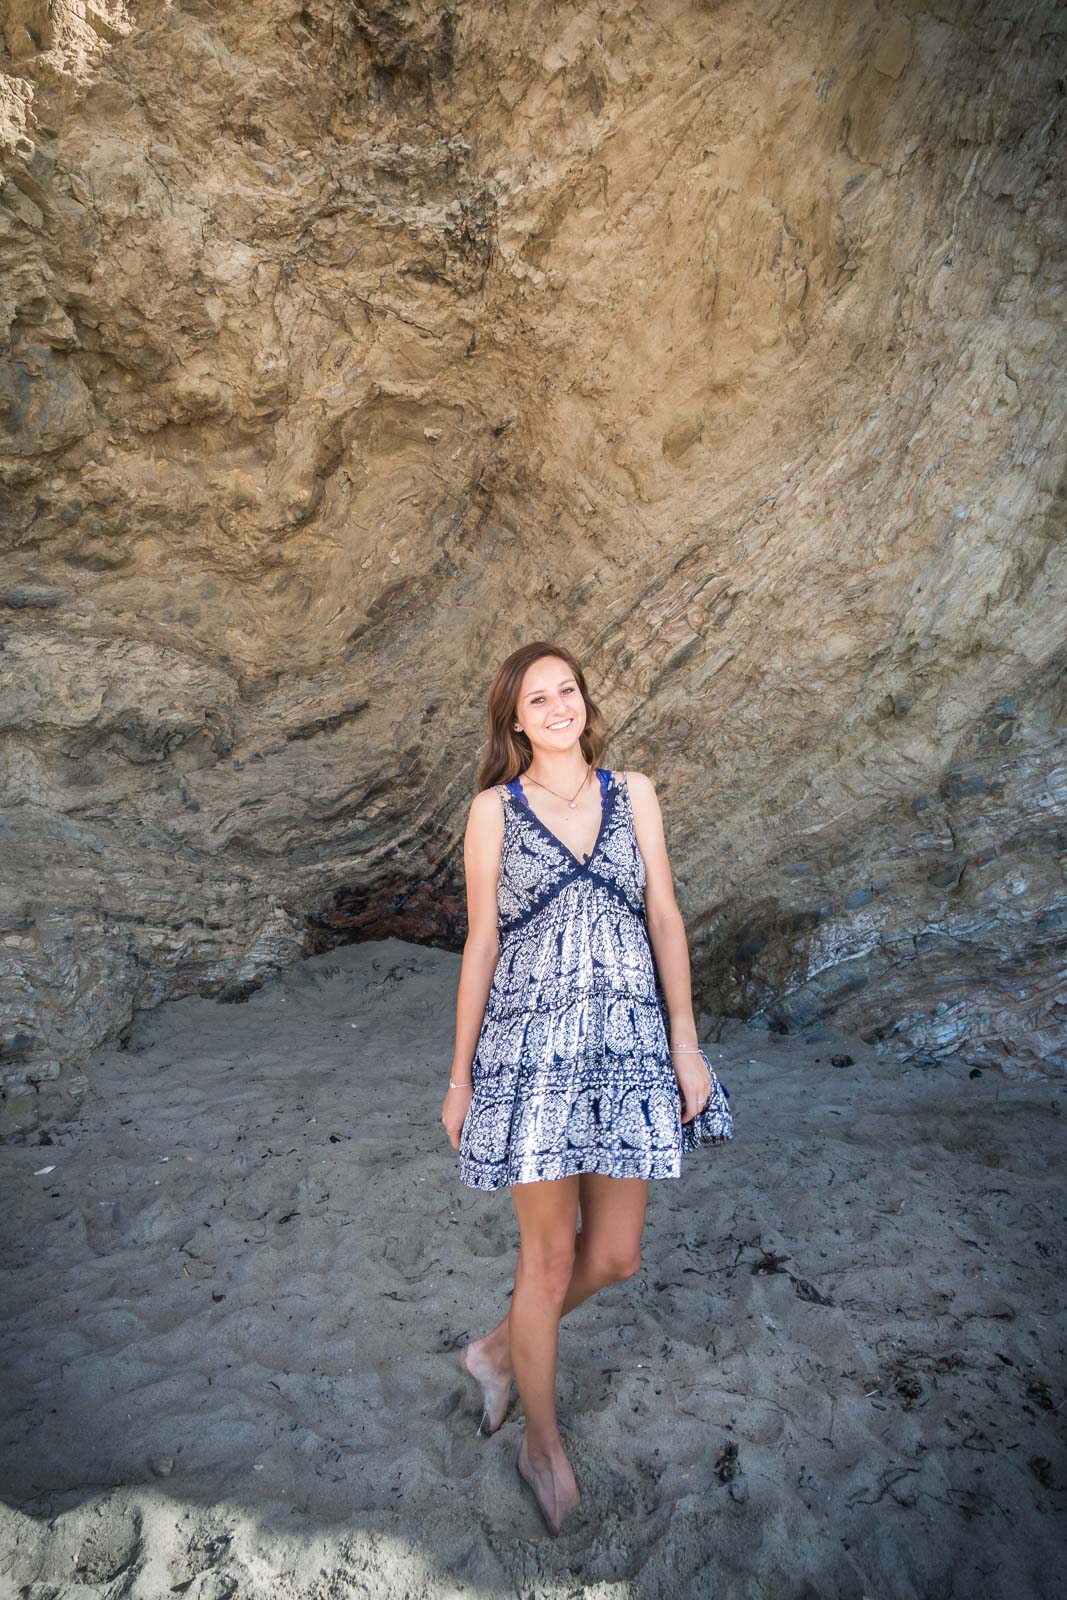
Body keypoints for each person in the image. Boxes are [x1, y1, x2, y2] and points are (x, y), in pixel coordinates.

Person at [441, 640, 734, 1536]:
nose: (558, 706)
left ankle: (496, 1349)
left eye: (567, 690)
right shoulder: (492, 811)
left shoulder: (631, 792)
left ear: (582, 703)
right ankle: (541, 1443)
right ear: (514, 721)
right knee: (550, 1259)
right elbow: (483, 941)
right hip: (529, 1056)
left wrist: (685, 1045)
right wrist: (459, 1076)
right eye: (538, 698)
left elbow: (664, 915)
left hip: (628, 1046)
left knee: (614, 1255)